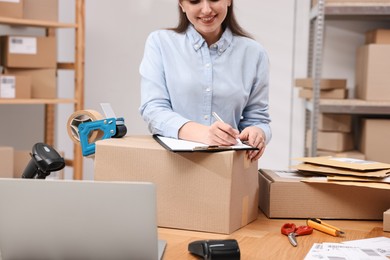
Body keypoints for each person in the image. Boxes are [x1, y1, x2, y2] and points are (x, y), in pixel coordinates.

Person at [139, 0, 271, 161]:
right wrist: (201, 133)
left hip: (229, 167)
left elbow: (258, 119)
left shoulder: (254, 53)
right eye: (195, 1)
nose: (206, 9)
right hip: (174, 165)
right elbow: (152, 109)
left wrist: (257, 132)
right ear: (181, 4)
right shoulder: (160, 42)